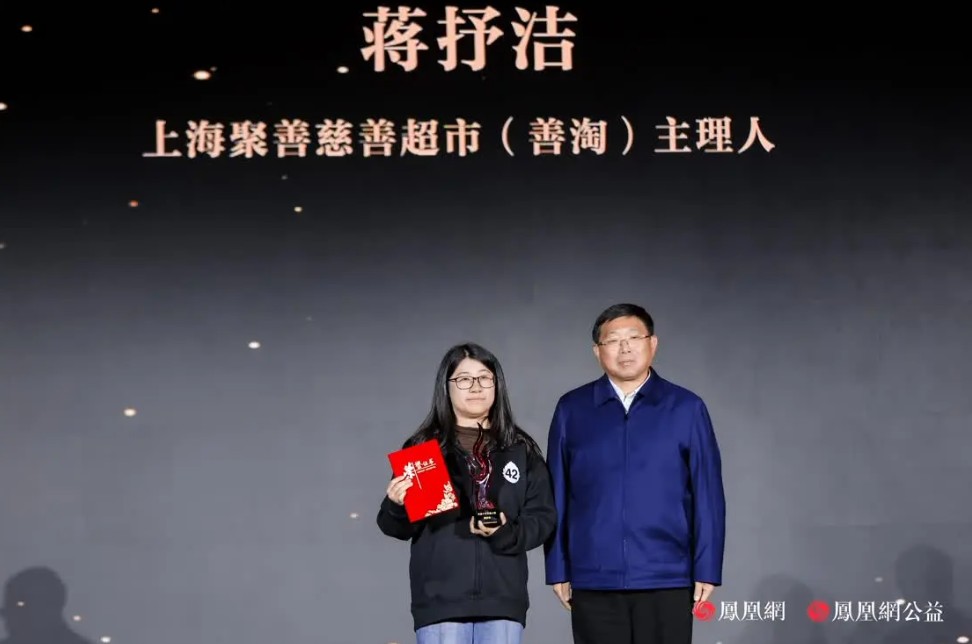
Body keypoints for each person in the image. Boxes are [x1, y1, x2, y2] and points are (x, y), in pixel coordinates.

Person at [543, 303, 727, 644]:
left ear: (652, 344)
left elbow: (707, 494)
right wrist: (558, 567)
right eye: (613, 340)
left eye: (633, 338)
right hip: (593, 578)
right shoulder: (572, 409)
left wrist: (707, 567)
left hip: (667, 576)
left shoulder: (686, 408)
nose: (624, 348)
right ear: (597, 351)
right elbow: (557, 493)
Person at [377, 342, 557, 644]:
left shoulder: (520, 449)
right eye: (463, 379)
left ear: (497, 385)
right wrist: (396, 504)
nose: (475, 387)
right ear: (446, 387)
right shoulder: (425, 450)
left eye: (484, 378)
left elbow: (542, 518)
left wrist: (505, 532)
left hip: (503, 600)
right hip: (440, 602)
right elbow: (395, 528)